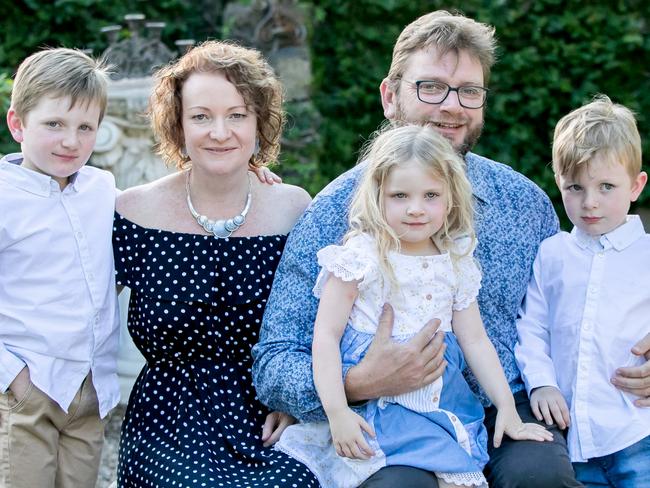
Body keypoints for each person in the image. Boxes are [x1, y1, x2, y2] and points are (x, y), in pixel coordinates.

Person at [253, 10, 597, 487]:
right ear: (390, 97)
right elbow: (275, 360)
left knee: (541, 478)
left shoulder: (524, 203)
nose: (451, 106)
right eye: (431, 87)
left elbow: (580, 303)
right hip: (389, 412)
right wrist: (352, 386)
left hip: (505, 401)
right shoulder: (338, 213)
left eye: (468, 91)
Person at [277, 124, 552, 488]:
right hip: (377, 408)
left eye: (431, 195)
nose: (416, 209)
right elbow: (325, 337)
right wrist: (337, 411)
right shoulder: (361, 257)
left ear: (450, 197)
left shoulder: (455, 258)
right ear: (378, 195)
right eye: (400, 196)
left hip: (439, 400)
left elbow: (475, 340)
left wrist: (505, 408)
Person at [112, 40, 317, 487]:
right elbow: (75, 298)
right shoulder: (132, 211)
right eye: (201, 116)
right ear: (178, 125)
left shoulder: (293, 209)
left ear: (259, 122)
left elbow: (320, 320)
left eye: (237, 115)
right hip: (168, 417)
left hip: (268, 412)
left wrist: (295, 399)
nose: (219, 132)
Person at [515, 95, 650, 487]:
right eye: (575, 187)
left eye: (606, 186)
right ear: (558, 182)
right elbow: (532, 327)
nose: (589, 202)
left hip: (638, 432)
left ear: (636, 185)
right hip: (574, 436)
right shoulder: (553, 253)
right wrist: (542, 382)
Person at [0, 48, 119, 487]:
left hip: (88, 393)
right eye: (54, 124)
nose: (71, 141)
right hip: (26, 390)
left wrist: (247, 175)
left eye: (85, 128)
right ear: (18, 124)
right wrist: (12, 377)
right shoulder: (4, 198)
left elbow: (162, 207)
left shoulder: (102, 188)